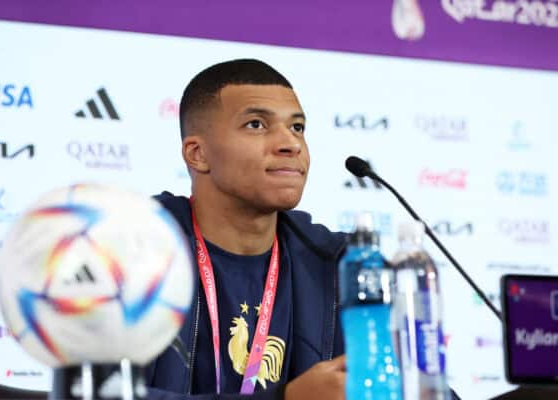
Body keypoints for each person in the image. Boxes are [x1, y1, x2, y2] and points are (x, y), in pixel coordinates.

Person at [145, 59, 459, 400]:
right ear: (197, 154)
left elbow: (414, 387)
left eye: (297, 128)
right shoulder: (131, 252)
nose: (290, 144)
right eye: (256, 124)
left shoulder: (339, 265)